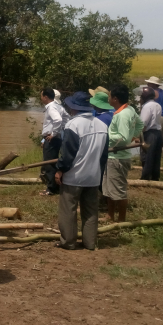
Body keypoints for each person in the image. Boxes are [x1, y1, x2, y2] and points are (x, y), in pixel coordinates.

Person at [54, 92, 109, 250]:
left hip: (74, 176)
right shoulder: (102, 125)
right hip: (93, 176)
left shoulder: (73, 125)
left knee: (68, 210)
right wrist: (99, 173)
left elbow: (68, 154)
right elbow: (104, 156)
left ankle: (68, 242)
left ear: (73, 108)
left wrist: (60, 170)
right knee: (91, 211)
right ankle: (90, 242)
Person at [104, 85, 143, 223]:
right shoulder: (130, 109)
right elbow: (140, 124)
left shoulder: (122, 115)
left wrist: (107, 136)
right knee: (108, 188)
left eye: (109, 96)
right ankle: (110, 215)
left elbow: (123, 137)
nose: (108, 99)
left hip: (118, 157)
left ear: (115, 99)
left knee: (119, 190)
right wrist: (134, 136)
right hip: (112, 156)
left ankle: (121, 219)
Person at [40, 88, 69, 195]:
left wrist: (53, 134)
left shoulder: (51, 107)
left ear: (46, 97)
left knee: (49, 163)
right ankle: (55, 186)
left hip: (52, 139)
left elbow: (58, 120)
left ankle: (51, 189)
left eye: (41, 96)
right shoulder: (58, 106)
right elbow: (67, 119)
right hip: (57, 138)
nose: (41, 98)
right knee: (54, 162)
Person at [139, 87, 163, 181]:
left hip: (150, 133)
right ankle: (155, 177)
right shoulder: (158, 105)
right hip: (158, 133)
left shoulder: (147, 106)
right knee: (156, 157)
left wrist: (139, 135)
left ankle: (145, 177)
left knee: (147, 157)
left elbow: (144, 123)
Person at [146, 76, 163, 159]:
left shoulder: (152, 92)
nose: (147, 84)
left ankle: (156, 155)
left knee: (156, 136)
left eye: (149, 83)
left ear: (152, 84)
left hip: (158, 117)